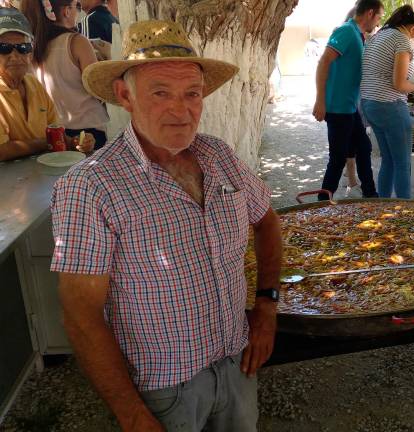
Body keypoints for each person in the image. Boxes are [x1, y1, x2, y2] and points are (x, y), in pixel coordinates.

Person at [50, 20, 282, 431]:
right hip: (163, 388)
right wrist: (132, 415)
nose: (181, 109)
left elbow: (266, 220)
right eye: (160, 93)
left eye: (192, 94)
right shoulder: (91, 187)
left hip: (236, 362)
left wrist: (266, 304)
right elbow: (81, 316)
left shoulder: (218, 155)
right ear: (125, 95)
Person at [0, 7, 93, 161]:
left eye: (23, 48)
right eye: (4, 48)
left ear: (30, 53)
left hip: (40, 176)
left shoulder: (34, 85)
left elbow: (56, 132)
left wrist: (76, 142)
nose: (15, 56)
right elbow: (2, 150)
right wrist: (44, 144)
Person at [313, 0, 383, 200]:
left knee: (363, 147)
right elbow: (324, 61)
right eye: (378, 17)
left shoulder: (357, 34)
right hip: (337, 108)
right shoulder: (345, 31)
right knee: (337, 159)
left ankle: (370, 195)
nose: (378, 23)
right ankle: (323, 202)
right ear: (370, 13)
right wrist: (320, 101)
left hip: (350, 108)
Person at [360, 5, 414, 199]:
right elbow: (399, 84)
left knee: (388, 160)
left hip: (369, 104)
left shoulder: (378, 36)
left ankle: (385, 208)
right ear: (413, 30)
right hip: (389, 106)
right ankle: (403, 214)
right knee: (402, 164)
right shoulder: (402, 41)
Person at [23, 0, 110, 150]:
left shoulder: (29, 50)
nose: (78, 10)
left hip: (53, 133)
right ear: (66, 11)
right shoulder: (77, 42)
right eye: (76, 5)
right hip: (89, 132)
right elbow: (98, 89)